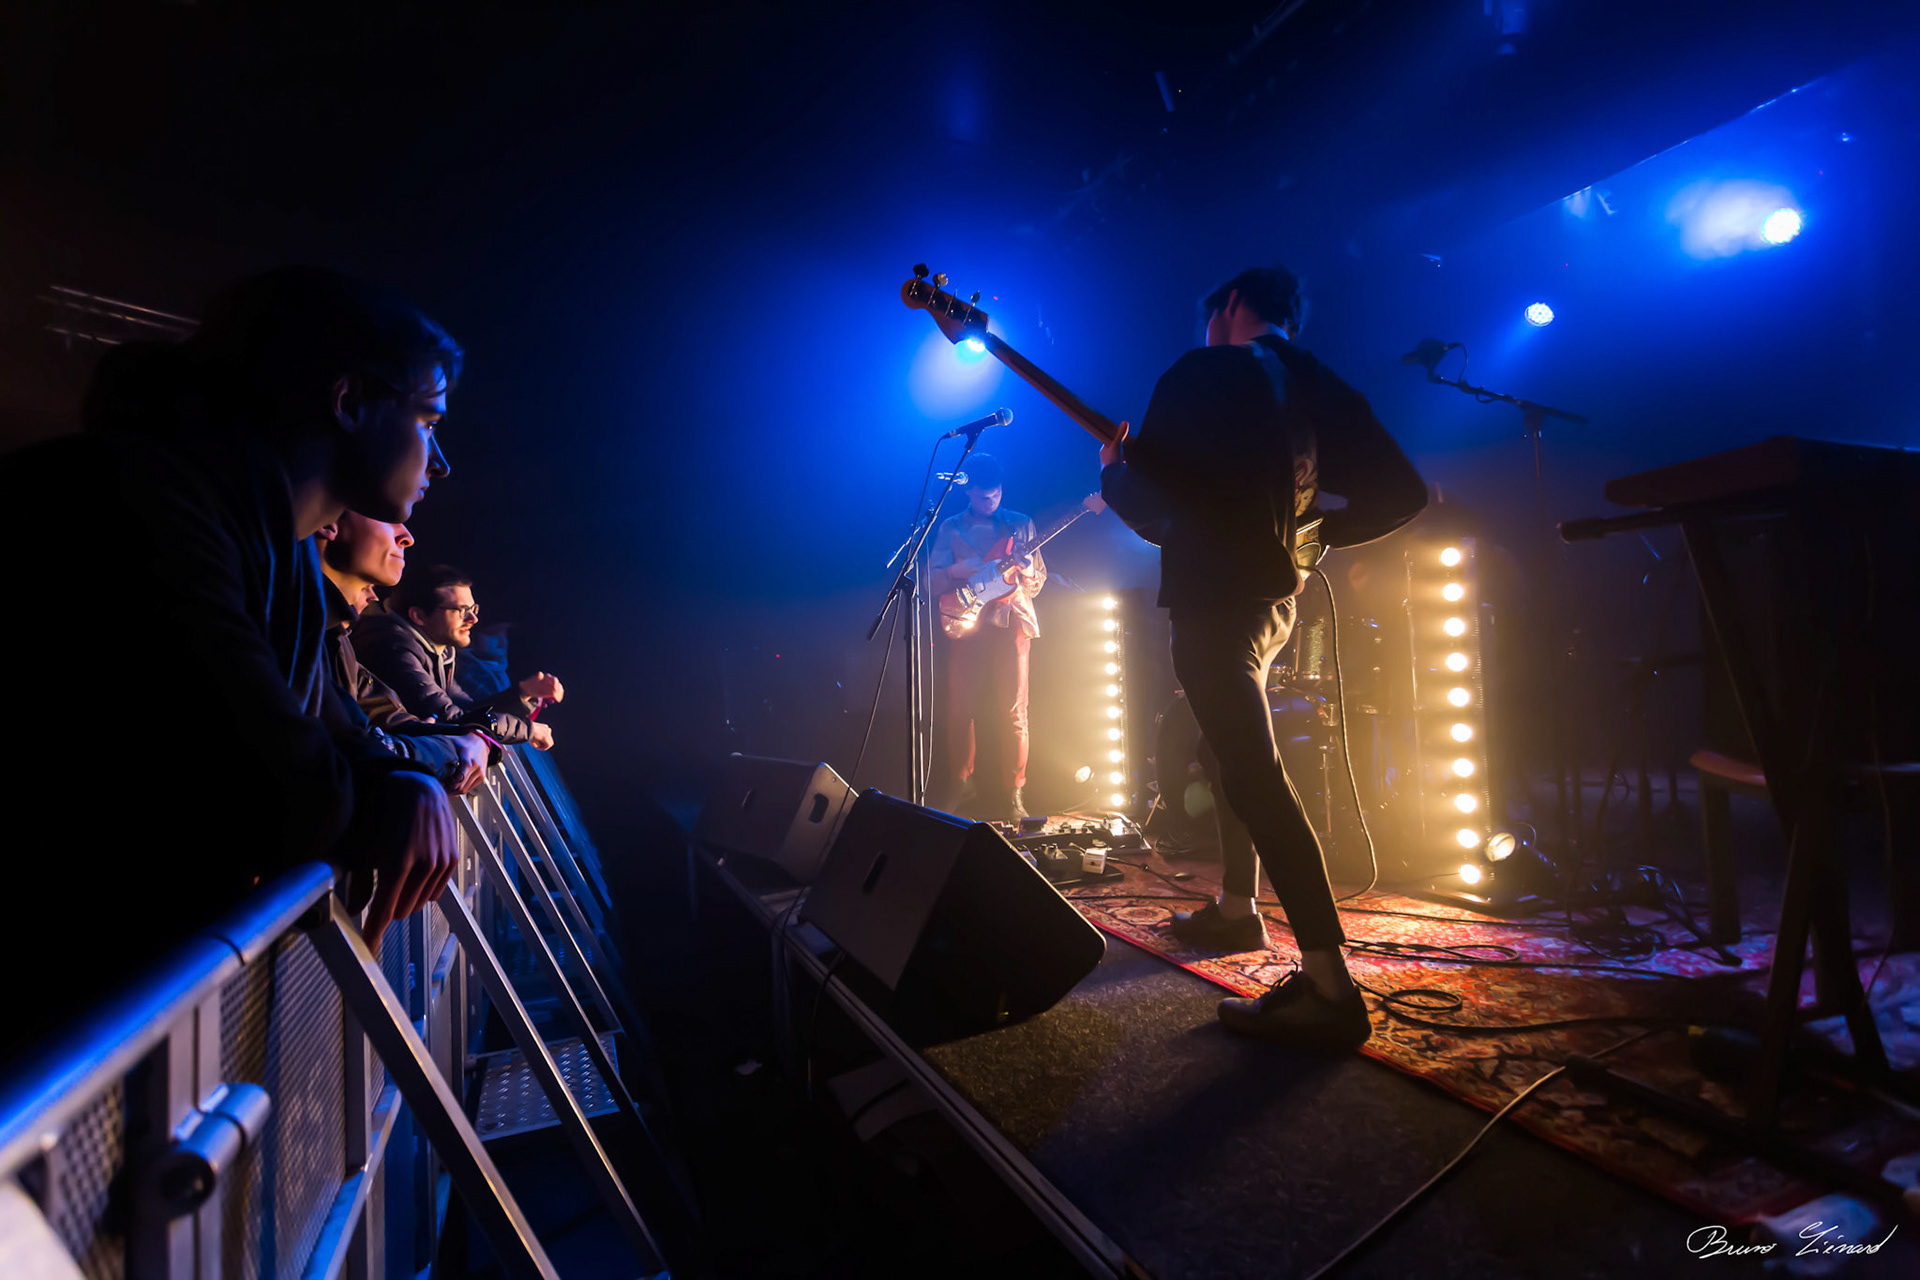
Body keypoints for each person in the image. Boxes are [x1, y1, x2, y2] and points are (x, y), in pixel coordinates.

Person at [0, 267, 466, 1050]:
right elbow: (284, 788)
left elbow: (336, 733)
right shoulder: (135, 505)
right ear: (349, 402)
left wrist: (407, 777)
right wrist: (384, 784)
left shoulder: (259, 546)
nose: (439, 460)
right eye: (427, 417)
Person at [1099, 265, 1426, 1049]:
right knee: (1227, 754)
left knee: (1253, 773)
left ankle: (1328, 987)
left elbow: (1157, 514)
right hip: (1277, 604)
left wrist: (1114, 476)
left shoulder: (1202, 370)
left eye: (1210, 316)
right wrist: (1308, 539)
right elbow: (1403, 494)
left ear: (1232, 306)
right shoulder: (1318, 383)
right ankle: (1236, 910)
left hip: (1216, 602)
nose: (1206, 330)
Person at [316, 513, 491, 795]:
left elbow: (391, 716)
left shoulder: (338, 638)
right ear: (328, 521)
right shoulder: (384, 642)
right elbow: (363, 746)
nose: (407, 537)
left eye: (474, 610)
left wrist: (478, 738)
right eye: (386, 517)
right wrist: (456, 746)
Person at [928, 453, 1046, 821]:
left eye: (995, 495)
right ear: (969, 492)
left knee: (1014, 711)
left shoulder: (1021, 524)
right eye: (983, 496)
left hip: (1011, 621)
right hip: (967, 621)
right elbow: (931, 580)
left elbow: (1039, 582)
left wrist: (1028, 570)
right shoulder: (949, 527)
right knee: (960, 709)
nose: (990, 501)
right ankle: (961, 784)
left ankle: (1015, 793)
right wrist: (955, 569)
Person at [352, 563, 563, 749]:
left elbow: (469, 709)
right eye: (462, 611)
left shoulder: (438, 651)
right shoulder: (394, 648)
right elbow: (455, 720)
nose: (473, 619)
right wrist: (528, 730)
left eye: (473, 608)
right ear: (419, 616)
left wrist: (522, 694)